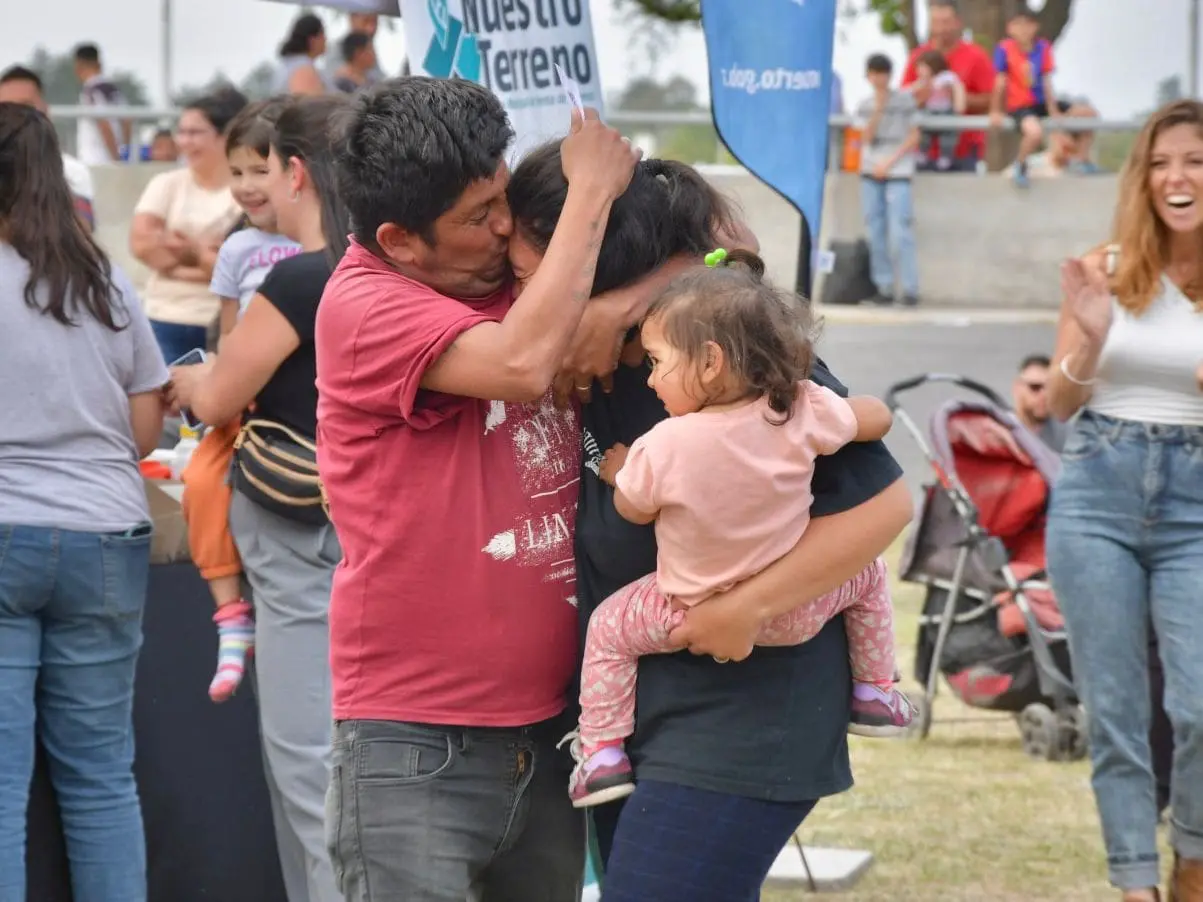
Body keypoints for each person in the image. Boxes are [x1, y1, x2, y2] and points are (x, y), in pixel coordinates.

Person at [505, 145, 913, 901]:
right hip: (639, 725)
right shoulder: (597, 360)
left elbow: (884, 506)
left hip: (741, 719)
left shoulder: (731, 366)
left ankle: (877, 689)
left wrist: (744, 608)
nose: (522, 298)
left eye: (532, 276)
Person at [317, 77, 640, 901]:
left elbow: (725, 253)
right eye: (476, 216)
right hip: (417, 745)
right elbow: (521, 364)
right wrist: (590, 195)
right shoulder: (363, 303)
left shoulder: (516, 269)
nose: (503, 226)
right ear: (399, 240)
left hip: (554, 725)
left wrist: (621, 304)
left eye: (501, 196)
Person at [566, 251, 912, 807]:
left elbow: (632, 510)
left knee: (608, 630)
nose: (649, 378)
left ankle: (603, 752)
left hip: (684, 609)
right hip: (794, 609)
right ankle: (875, 692)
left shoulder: (663, 444)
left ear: (709, 362)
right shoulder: (796, 409)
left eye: (656, 361)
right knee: (868, 574)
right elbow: (877, 418)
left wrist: (617, 470)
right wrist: (841, 412)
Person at [169, 94, 348, 902]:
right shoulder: (388, 271)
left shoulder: (304, 279)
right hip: (372, 529)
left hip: (297, 525)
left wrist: (191, 382)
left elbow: (216, 398)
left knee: (307, 767)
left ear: (296, 172)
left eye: (265, 166)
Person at [0, 101, 167, 902]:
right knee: (102, 778)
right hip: (106, 534)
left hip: (6, 528)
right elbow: (143, 430)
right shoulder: (105, 282)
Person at [1046, 98, 1203, 902]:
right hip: (1096, 489)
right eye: (1160, 162)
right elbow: (1056, 405)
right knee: (1114, 711)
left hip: (1194, 504)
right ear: (1141, 178)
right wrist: (1092, 336)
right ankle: (1134, 882)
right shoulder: (1102, 267)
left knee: (1197, 705)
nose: (1177, 178)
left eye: (1195, 161)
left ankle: (1192, 858)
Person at [177, 97, 301, 703]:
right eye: (237, 172)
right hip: (243, 399)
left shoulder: (324, 247)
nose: (247, 185)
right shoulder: (236, 250)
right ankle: (231, 616)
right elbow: (228, 335)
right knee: (202, 482)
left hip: (297, 408)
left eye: (260, 170)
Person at [129, 88, 247, 363]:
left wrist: (181, 256)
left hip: (223, 321)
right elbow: (142, 245)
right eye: (181, 132)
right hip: (164, 316)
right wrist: (206, 258)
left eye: (195, 133)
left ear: (224, 136)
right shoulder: (166, 184)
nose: (184, 141)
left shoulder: (246, 191)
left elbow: (240, 268)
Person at [857, 53, 920, 308]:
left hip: (898, 170)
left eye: (883, 73)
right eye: (875, 73)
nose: (879, 78)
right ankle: (883, 287)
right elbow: (864, 138)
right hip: (871, 171)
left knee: (900, 231)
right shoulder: (864, 103)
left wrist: (890, 162)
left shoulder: (905, 101)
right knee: (875, 231)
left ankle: (909, 288)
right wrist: (879, 108)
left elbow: (914, 135)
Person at [902, 0, 994, 172]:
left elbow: (992, 100)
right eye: (936, 22)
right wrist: (923, 96)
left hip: (964, 151)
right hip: (922, 149)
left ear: (958, 22)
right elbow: (903, 99)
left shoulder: (976, 56)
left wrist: (954, 97)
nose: (941, 29)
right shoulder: (917, 56)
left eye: (946, 22)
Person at [0, 65, 95, 231]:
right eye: (6, 109)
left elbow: (83, 231)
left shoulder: (73, 172)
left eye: (25, 107)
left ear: (45, 111)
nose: (16, 118)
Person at [988, 6, 1064, 189]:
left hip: (1041, 102)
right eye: (1018, 25)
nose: (1023, 29)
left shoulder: (1042, 48)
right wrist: (995, 110)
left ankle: (1082, 159)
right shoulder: (1005, 49)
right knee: (1034, 133)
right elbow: (1000, 82)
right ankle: (1020, 164)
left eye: (1027, 24)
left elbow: (1046, 81)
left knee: (1084, 113)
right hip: (1020, 105)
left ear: (1035, 27)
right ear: (1010, 28)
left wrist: (1053, 109)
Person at [73, 42, 131, 165]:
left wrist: (116, 158)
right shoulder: (114, 90)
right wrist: (124, 153)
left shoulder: (91, 91)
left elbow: (104, 124)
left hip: (95, 160)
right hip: (114, 160)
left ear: (79, 65)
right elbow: (127, 121)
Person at [912, 49, 965, 171]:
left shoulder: (945, 77)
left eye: (922, 67)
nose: (919, 71)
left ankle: (946, 156)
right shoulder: (923, 81)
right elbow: (912, 91)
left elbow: (957, 87)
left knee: (948, 135)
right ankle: (922, 153)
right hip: (929, 111)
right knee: (924, 133)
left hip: (945, 111)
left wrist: (959, 106)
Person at [1012, 353, 1068, 452]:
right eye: (1035, 387)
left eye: (1050, 388)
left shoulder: (1067, 437)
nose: (1044, 395)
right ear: (1017, 389)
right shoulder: (999, 432)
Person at [273, 13, 332, 96]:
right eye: (322, 35)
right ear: (312, 40)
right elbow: (308, 102)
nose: (326, 39)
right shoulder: (303, 70)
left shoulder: (290, 64)